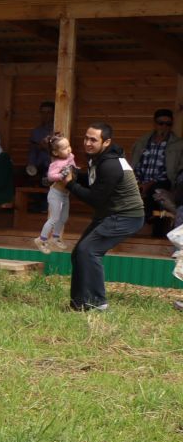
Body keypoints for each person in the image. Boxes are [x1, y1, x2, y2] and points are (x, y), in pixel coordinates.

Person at [65, 123, 145, 312]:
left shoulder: (110, 164)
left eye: (93, 140)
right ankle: (80, 303)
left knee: (89, 250)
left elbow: (95, 199)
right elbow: (95, 181)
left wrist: (70, 184)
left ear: (106, 142)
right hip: (111, 214)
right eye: (86, 138)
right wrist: (76, 175)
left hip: (126, 216)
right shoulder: (100, 159)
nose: (88, 143)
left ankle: (97, 303)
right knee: (79, 253)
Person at [130, 108, 181, 234]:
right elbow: (135, 164)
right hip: (140, 180)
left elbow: (174, 170)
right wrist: (137, 182)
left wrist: (149, 184)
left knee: (157, 193)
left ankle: (152, 226)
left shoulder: (178, 145)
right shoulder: (142, 142)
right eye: (160, 123)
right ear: (154, 123)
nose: (164, 126)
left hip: (163, 182)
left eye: (168, 124)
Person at [34, 133, 75, 252]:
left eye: (69, 146)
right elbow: (51, 176)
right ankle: (41, 239)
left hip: (65, 194)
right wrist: (62, 174)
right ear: (56, 153)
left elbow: (71, 163)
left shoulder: (70, 156)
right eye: (64, 148)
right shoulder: (55, 164)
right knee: (54, 218)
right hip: (55, 194)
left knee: (64, 217)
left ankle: (55, 238)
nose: (68, 149)